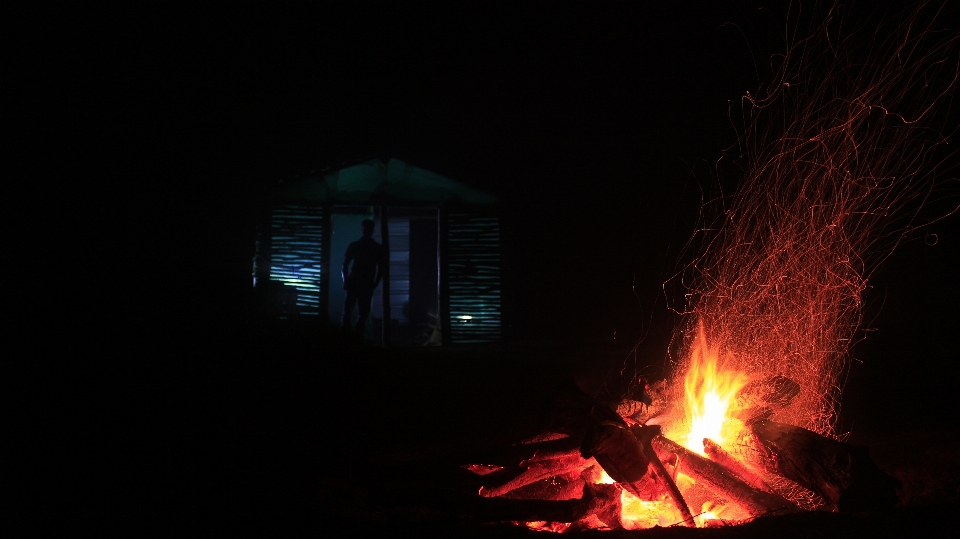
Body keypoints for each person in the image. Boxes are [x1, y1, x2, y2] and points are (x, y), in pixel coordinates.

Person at [340, 219, 386, 336]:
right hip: (363, 283)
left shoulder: (357, 245)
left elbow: (344, 265)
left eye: (367, 229)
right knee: (360, 313)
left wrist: (346, 281)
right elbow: (344, 266)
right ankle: (356, 337)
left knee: (353, 313)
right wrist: (374, 285)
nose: (366, 231)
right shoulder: (375, 247)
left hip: (356, 282)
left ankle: (348, 337)